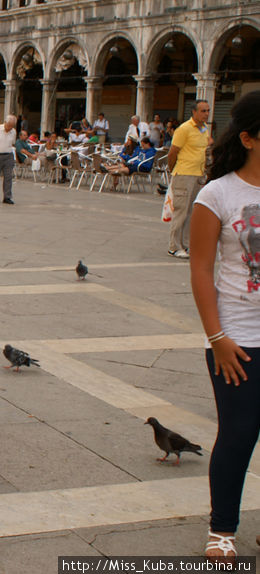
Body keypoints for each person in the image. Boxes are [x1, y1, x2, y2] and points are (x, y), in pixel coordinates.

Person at [189, 90, 260, 560]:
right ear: (251, 138)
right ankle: (223, 530)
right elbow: (199, 269)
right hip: (239, 336)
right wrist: (217, 338)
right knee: (238, 433)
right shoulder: (218, 194)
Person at [168, 100, 212, 259]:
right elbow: (173, 152)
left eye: (207, 111)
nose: (206, 114)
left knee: (191, 212)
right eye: (203, 111)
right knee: (181, 210)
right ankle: (174, 246)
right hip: (184, 174)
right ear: (194, 112)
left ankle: (186, 244)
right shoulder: (184, 129)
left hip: (198, 174)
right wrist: (173, 170)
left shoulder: (204, 129)